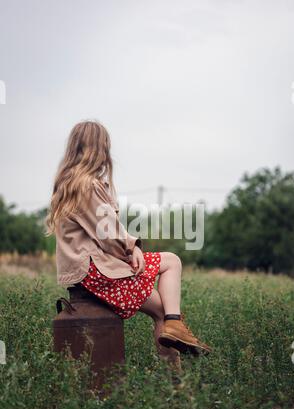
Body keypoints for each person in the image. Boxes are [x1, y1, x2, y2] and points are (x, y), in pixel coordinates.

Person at [46, 120, 212, 372]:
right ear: (99, 149)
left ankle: (175, 327)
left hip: (87, 270)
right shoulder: (87, 185)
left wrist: (131, 247)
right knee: (166, 296)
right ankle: (176, 382)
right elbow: (108, 234)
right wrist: (130, 249)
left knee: (167, 287)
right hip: (96, 271)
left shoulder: (67, 184)